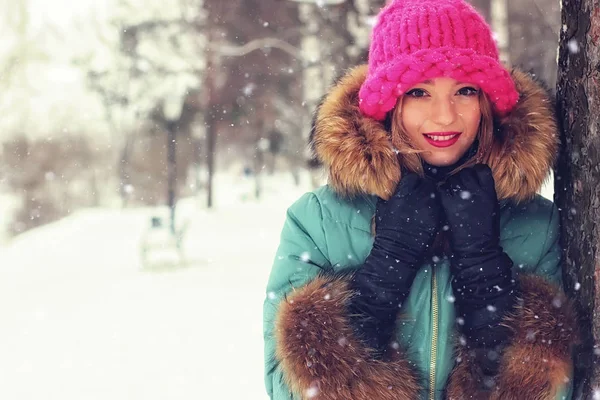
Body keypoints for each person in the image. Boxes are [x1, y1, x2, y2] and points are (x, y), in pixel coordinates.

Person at [263, 0, 579, 398]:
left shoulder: (537, 224)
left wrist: (484, 273)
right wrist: (383, 277)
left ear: (486, 102)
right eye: (418, 92)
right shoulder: (317, 221)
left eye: (465, 91)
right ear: (389, 102)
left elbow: (559, 390)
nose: (444, 116)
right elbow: (285, 388)